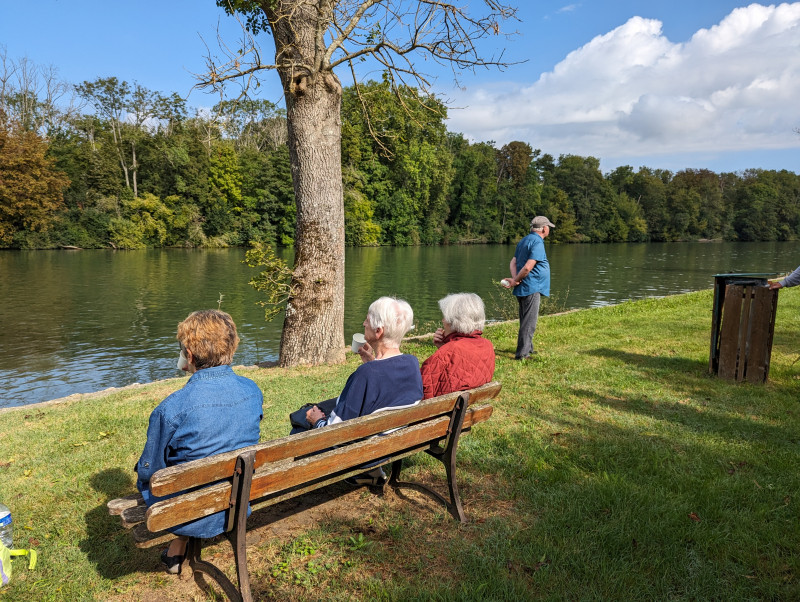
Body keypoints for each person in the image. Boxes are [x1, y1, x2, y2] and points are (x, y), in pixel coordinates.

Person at [135, 310, 263, 575]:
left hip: (188, 512)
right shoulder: (252, 390)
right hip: (238, 499)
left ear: (189, 356)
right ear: (232, 347)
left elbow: (151, 472)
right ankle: (180, 545)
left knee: (153, 477)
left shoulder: (172, 408)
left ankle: (179, 544)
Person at [303, 297, 423, 484]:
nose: (363, 323)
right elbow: (390, 393)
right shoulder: (412, 363)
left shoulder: (365, 375)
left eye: (367, 319)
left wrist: (317, 421)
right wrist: (373, 365)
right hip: (394, 443)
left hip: (365, 453)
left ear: (378, 331)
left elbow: (334, 434)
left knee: (301, 422)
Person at [420, 293, 495, 399]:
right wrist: (444, 346)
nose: (443, 320)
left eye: (445, 317)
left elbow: (421, 388)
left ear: (454, 322)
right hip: (466, 409)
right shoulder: (487, 345)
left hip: (441, 412)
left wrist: (445, 349)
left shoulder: (448, 351)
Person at [503, 215, 554, 360]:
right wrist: (516, 280)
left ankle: (528, 348)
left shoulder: (524, 240)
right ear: (544, 229)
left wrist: (515, 280)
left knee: (526, 318)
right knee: (529, 321)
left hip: (525, 286)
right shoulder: (537, 242)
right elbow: (527, 267)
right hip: (532, 286)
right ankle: (522, 354)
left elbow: (513, 262)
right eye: (548, 227)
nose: (549, 229)